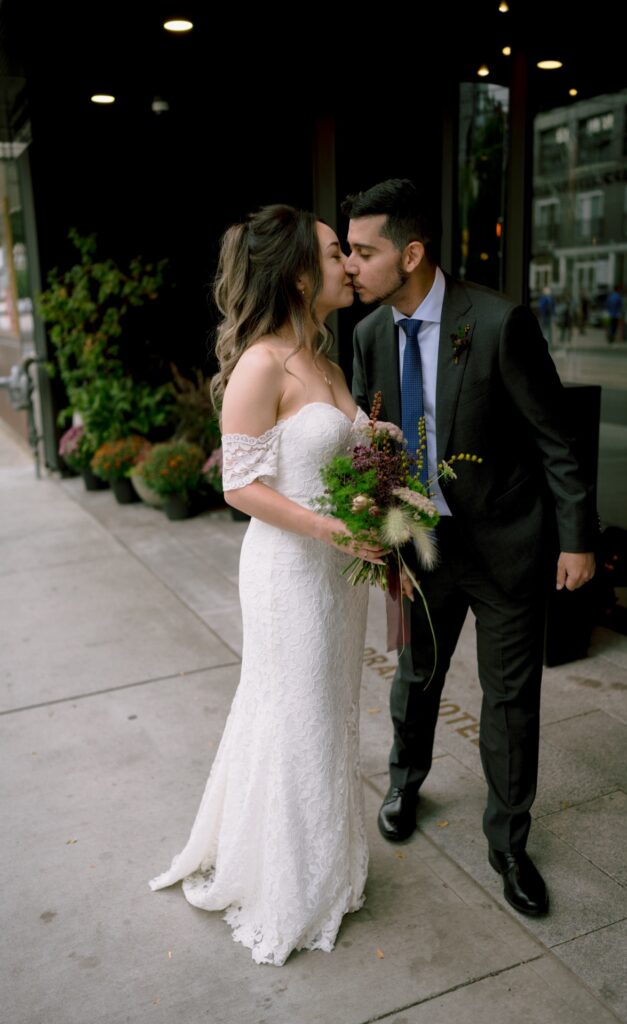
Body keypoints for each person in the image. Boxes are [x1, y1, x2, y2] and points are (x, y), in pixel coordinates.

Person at [343, 179, 597, 917]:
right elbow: (370, 446)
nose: (351, 265)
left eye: (364, 251)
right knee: (414, 677)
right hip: (418, 550)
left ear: (411, 253)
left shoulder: (495, 321)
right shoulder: (365, 337)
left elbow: (555, 437)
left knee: (511, 703)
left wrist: (576, 538)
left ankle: (508, 845)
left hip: (507, 548)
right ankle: (404, 779)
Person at [149, 204, 386, 966]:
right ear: (295, 273)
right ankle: (288, 882)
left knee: (330, 709)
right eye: (332, 251)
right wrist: (331, 529)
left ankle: (327, 863)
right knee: (297, 714)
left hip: (334, 576)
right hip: (289, 571)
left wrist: (380, 483)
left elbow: (339, 457)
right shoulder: (260, 365)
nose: (348, 263)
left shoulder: (325, 361)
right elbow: (241, 488)